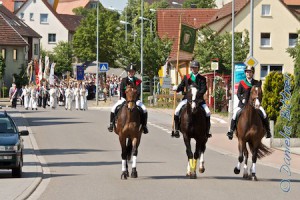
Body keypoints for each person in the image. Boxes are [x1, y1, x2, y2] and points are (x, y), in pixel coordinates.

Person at [226, 66, 271, 140]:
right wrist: (242, 99)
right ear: (245, 73)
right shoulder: (242, 82)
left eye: (250, 72)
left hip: (255, 104)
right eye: (247, 72)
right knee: (235, 114)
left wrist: (258, 102)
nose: (248, 73)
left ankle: (268, 131)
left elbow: (260, 94)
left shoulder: (256, 83)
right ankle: (231, 131)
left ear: (252, 73)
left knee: (264, 114)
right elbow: (238, 93)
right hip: (243, 104)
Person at [172, 60, 211, 138]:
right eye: (192, 67)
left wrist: (197, 96)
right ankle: (176, 129)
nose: (194, 69)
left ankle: (207, 131)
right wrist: (177, 88)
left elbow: (203, 89)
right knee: (177, 111)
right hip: (187, 99)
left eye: (195, 68)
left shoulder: (202, 78)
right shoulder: (186, 77)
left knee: (208, 112)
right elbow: (181, 86)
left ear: (198, 68)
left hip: (199, 100)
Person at [107, 64, 149, 134]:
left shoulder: (138, 81)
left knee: (144, 109)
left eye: (132, 71)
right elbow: (121, 90)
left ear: (134, 72)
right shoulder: (124, 80)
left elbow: (138, 91)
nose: (130, 73)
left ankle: (144, 126)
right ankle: (111, 124)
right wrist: (125, 98)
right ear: (127, 72)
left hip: (135, 100)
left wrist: (134, 99)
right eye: (129, 71)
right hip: (124, 99)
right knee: (113, 108)